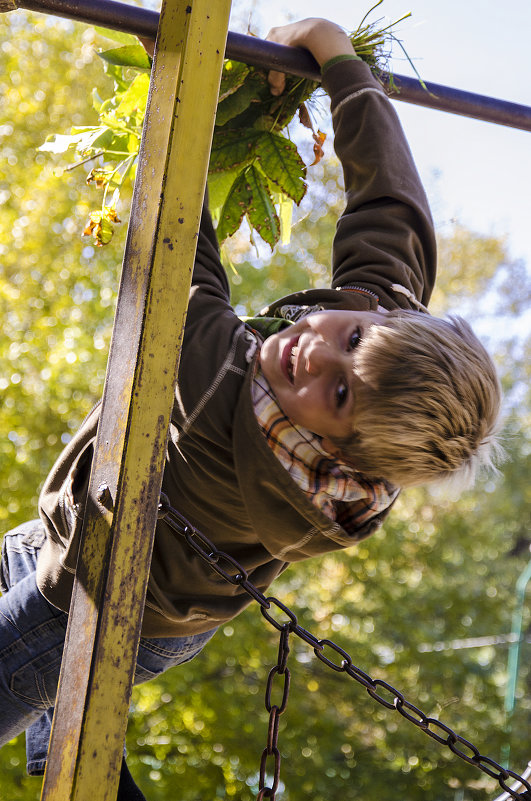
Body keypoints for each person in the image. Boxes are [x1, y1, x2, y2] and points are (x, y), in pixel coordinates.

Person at [0, 18, 501, 798]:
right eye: (350, 335)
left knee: (34, 672)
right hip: (70, 537)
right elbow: (391, 203)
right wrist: (336, 61)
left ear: (339, 449)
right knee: (55, 721)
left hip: (102, 594)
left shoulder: (220, 407)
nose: (315, 349)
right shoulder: (380, 335)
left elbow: (174, 242)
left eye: (333, 393)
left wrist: (191, 96)